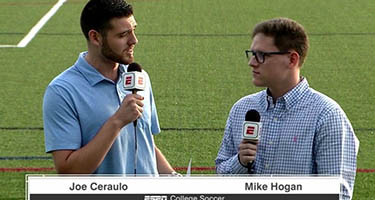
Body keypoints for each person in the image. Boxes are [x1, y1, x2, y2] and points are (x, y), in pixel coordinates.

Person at [215, 17, 359, 199]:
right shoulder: (242, 108)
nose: (251, 62)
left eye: (261, 55)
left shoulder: (327, 115)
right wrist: (240, 162)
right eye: (252, 54)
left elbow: (337, 194)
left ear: (292, 59)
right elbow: (220, 176)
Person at [43, 0, 176, 175]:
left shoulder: (139, 76)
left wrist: (174, 178)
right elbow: (68, 172)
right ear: (95, 37)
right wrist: (117, 122)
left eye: (133, 31)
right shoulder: (62, 91)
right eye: (123, 35)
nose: (133, 40)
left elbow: (143, 143)